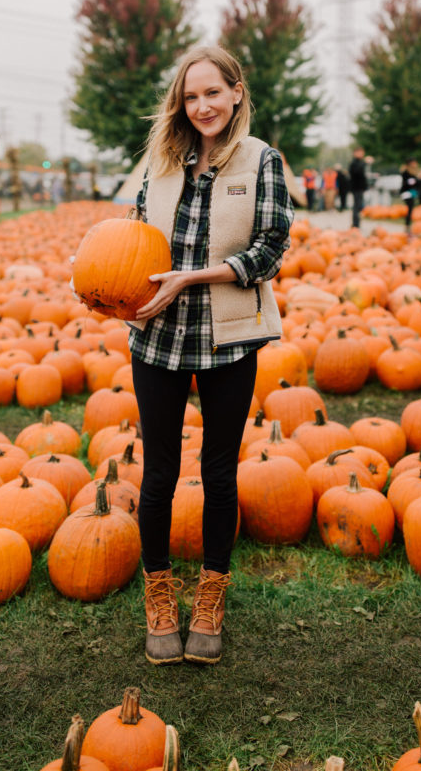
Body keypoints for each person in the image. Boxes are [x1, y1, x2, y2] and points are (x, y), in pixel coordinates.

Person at [128, 44, 294, 666]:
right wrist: (101, 283)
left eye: (212, 93)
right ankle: (159, 593)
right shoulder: (162, 163)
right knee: (161, 474)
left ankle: (212, 594)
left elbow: (271, 250)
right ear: (181, 102)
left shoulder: (261, 161)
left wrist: (191, 277)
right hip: (158, 338)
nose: (201, 106)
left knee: (220, 474)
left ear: (236, 94)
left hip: (230, 339)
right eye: (190, 96)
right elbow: (133, 241)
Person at [348, 147, 372, 229]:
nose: (362, 154)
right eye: (360, 152)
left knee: (359, 206)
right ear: (355, 153)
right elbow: (357, 172)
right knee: (357, 205)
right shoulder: (354, 163)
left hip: (360, 188)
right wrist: (365, 163)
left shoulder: (360, 162)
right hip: (356, 188)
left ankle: (357, 223)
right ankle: (355, 224)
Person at [399, 158, 421, 232]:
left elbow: (416, 183)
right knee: (410, 207)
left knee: (411, 209)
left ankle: (408, 224)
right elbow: (408, 183)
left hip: (412, 193)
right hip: (406, 193)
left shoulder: (415, 172)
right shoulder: (405, 173)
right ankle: (407, 225)